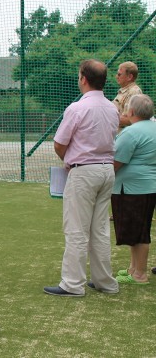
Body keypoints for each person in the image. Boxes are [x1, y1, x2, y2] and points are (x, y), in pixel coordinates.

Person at [44, 59, 119, 296]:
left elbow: (59, 144)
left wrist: (69, 161)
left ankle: (72, 284)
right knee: (99, 229)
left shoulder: (77, 108)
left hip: (83, 171)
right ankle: (104, 281)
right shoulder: (112, 108)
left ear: (83, 79)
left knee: (76, 229)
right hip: (107, 170)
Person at [111, 94, 156, 285]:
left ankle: (140, 274)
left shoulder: (131, 132)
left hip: (133, 189)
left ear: (131, 111)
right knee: (137, 229)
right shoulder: (154, 128)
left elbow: (116, 161)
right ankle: (133, 269)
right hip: (148, 186)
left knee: (139, 232)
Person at [113, 61, 142, 130]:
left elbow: (132, 119)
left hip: (126, 136)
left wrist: (108, 117)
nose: (116, 76)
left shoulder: (134, 92)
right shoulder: (124, 91)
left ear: (129, 77)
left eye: (119, 74)